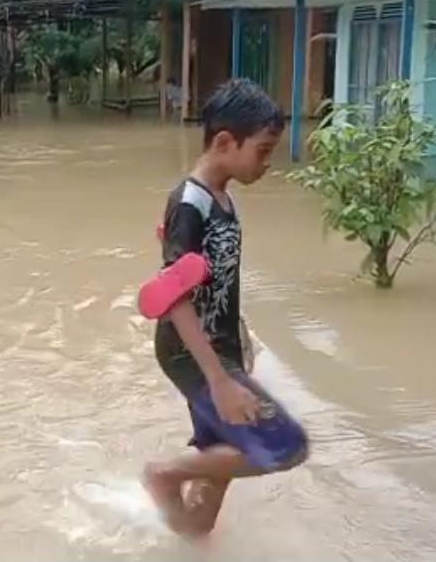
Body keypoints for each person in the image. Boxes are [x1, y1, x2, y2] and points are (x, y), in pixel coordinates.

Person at [142, 79, 309, 537]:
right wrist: (219, 379)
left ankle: (176, 536)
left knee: (206, 509)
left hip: (220, 346)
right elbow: (172, 294)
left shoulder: (223, 199)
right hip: (189, 350)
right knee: (284, 445)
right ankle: (164, 474)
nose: (268, 162)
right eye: (262, 149)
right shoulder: (190, 202)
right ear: (223, 142)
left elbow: (217, 278)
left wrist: (240, 337)